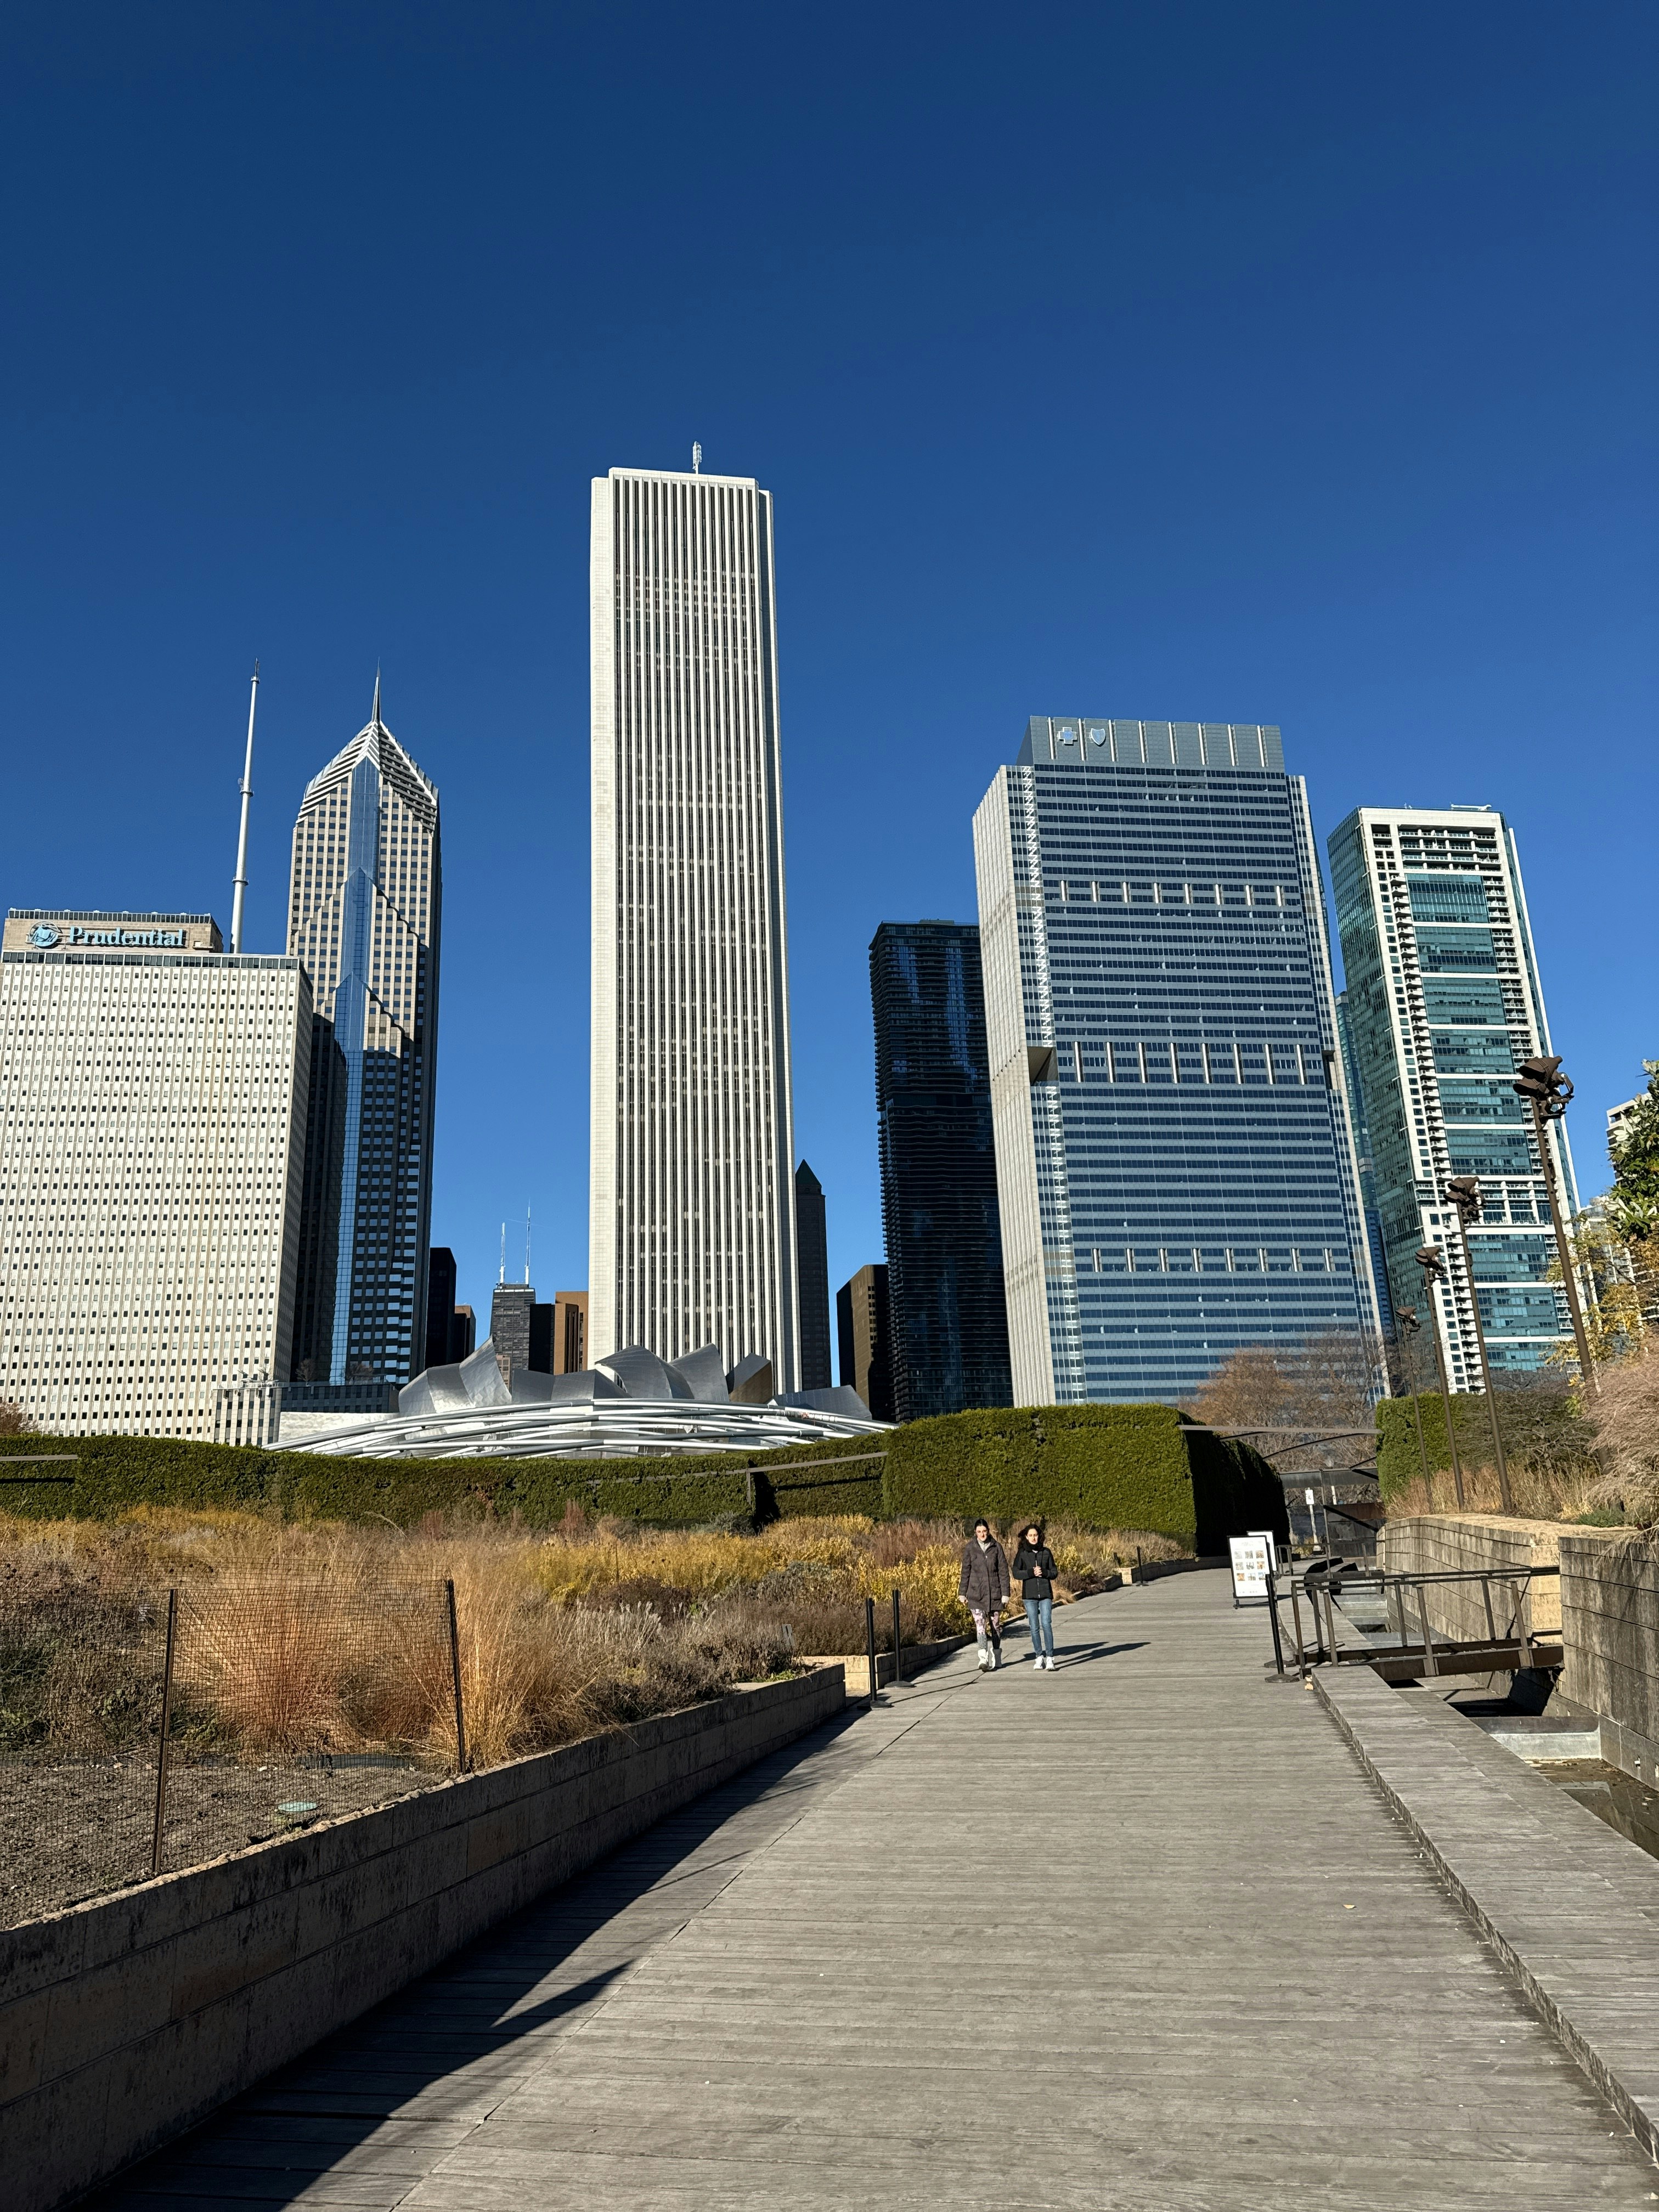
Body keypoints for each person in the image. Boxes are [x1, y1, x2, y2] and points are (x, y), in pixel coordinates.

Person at [958, 1516, 1010, 1672]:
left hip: (995, 1594)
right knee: (980, 1626)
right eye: (979, 1532)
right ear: (975, 1532)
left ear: (988, 1531)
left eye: (985, 1531)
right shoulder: (970, 1548)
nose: (982, 1534)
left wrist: (1005, 1593)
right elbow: (965, 1571)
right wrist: (962, 1593)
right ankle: (983, 1659)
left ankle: (997, 1656)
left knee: (996, 1626)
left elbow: (1003, 1571)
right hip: (976, 1594)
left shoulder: (996, 1547)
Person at [1013, 1522, 1059, 1669]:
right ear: (1026, 1537)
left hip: (1045, 1594)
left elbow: (1054, 1572)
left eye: (1036, 1535)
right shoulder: (1022, 1553)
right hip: (1029, 1595)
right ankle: (1039, 1657)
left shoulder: (1046, 1552)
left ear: (1040, 1536)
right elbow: (1015, 1573)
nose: (1033, 1538)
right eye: (1031, 1535)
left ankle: (1050, 1658)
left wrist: (1044, 1573)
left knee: (1046, 1624)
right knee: (1034, 1627)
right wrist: (1031, 1573)